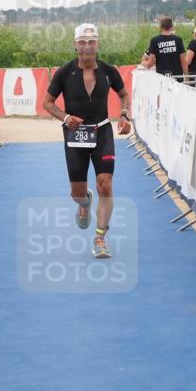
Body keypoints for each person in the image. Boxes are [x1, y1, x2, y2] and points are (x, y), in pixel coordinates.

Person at [42, 23, 132, 260]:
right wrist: (66, 117)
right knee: (77, 193)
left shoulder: (109, 71)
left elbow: (123, 94)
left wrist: (124, 114)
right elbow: (47, 103)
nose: (87, 46)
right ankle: (84, 203)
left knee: (105, 183)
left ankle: (100, 237)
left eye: (91, 42)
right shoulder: (64, 72)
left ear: (97, 44)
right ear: (75, 45)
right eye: (82, 42)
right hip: (75, 135)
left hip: (102, 132)